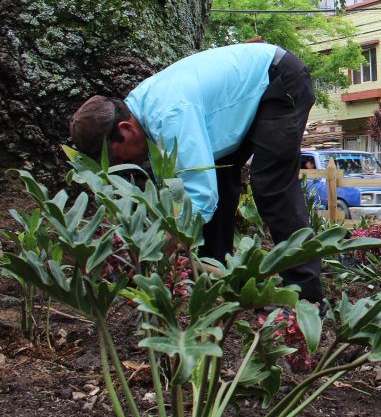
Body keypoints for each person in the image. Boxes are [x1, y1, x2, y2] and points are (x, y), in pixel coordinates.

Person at [69, 43, 325, 305]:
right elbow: (187, 191)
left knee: (271, 186)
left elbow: (199, 197)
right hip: (245, 101)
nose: (121, 162)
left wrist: (162, 246)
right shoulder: (144, 113)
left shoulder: (168, 115)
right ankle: (215, 281)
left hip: (278, 80)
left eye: (115, 156)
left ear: (125, 129)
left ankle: (307, 297)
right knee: (220, 180)